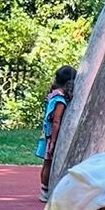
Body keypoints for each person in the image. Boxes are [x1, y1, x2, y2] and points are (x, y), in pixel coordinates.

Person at [36, 65, 76, 202]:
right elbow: (56, 121)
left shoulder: (53, 94)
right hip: (51, 135)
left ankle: (45, 188)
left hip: (46, 133)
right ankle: (45, 190)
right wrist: (53, 141)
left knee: (46, 162)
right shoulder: (60, 99)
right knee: (48, 162)